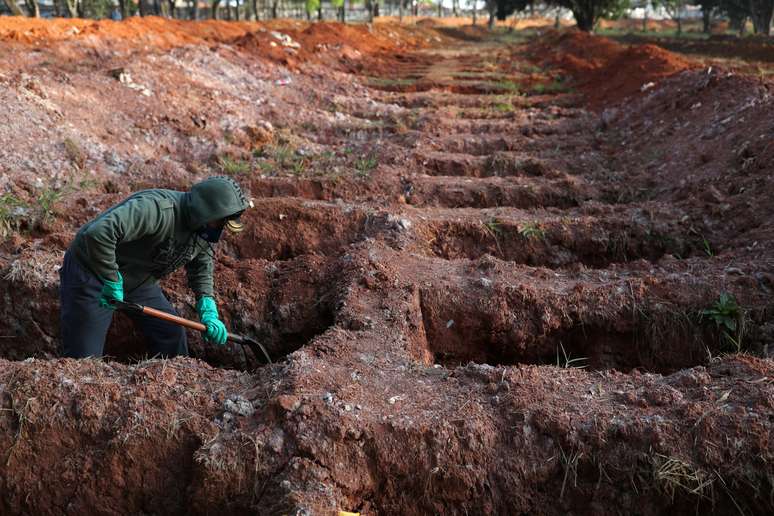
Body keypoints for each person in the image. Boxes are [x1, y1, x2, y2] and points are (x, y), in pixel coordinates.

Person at [59, 175, 252, 358]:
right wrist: (111, 278)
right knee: (84, 358)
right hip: (93, 271)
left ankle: (175, 387)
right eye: (220, 221)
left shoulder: (202, 229)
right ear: (205, 211)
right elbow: (98, 234)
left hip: (138, 279)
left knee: (171, 334)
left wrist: (207, 307)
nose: (221, 228)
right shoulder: (157, 210)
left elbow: (201, 266)